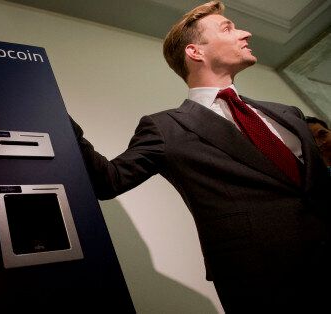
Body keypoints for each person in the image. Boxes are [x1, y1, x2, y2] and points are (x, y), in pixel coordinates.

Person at [70, 1, 330, 312]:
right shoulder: (165, 127)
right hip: (264, 284)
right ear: (195, 52)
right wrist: (56, 117)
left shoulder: (288, 114)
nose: (246, 33)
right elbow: (108, 180)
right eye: (228, 28)